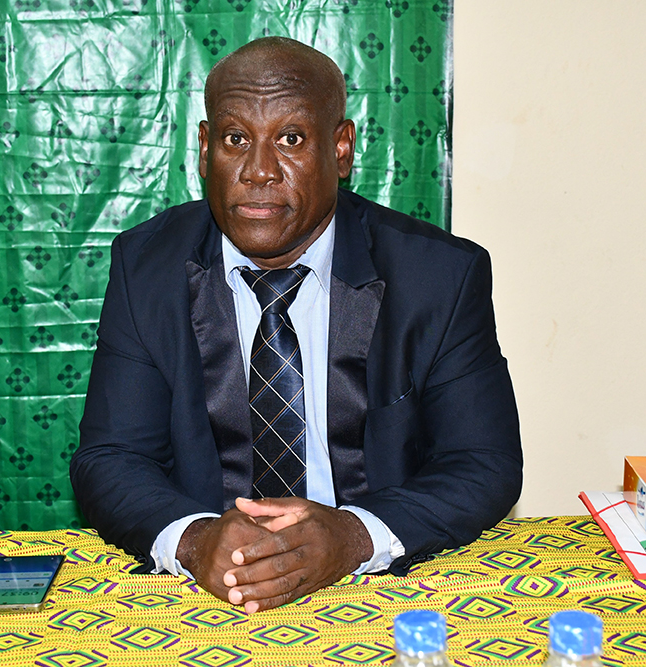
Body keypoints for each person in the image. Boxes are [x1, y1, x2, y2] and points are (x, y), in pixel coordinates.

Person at [70, 36, 523, 614]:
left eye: (290, 139)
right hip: (209, 594)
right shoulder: (146, 268)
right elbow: (110, 457)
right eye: (236, 139)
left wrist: (354, 535)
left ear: (340, 148)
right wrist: (194, 539)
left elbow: (484, 461)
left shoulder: (438, 276)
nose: (259, 171)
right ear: (205, 150)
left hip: (377, 588)